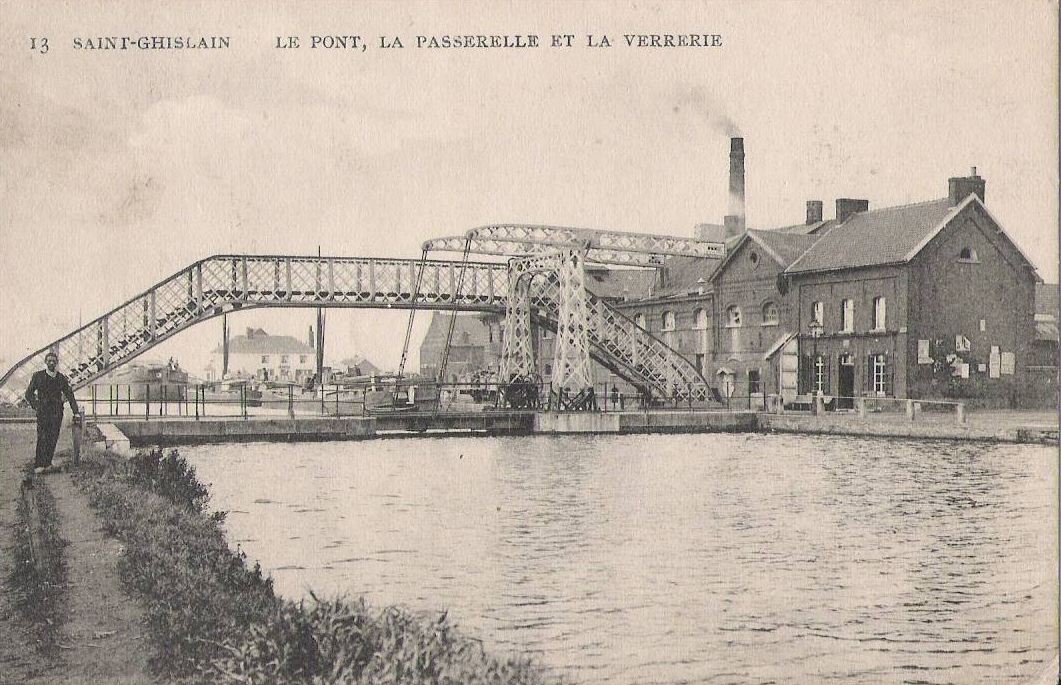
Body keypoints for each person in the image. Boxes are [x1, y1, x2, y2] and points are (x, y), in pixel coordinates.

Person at [24, 351, 80, 474]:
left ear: (57, 363)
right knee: (42, 437)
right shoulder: (38, 376)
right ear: (45, 362)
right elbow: (28, 394)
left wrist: (76, 412)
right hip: (43, 413)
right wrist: (36, 405)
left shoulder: (61, 378)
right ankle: (39, 465)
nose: (51, 362)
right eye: (49, 360)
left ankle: (48, 463)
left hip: (56, 413)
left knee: (53, 437)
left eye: (53, 361)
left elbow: (70, 395)